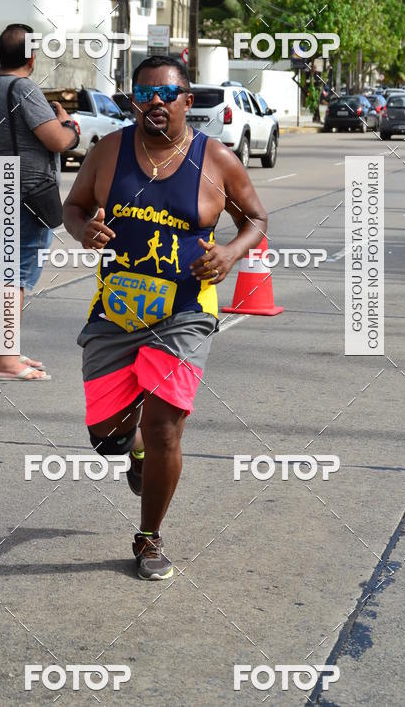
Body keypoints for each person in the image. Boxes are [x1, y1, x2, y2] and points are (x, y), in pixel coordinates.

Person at [63, 55, 267, 580]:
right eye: (145, 93)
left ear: (187, 102)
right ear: (133, 100)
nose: (156, 102)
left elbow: (255, 218)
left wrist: (229, 252)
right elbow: (75, 206)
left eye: (167, 94)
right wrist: (84, 231)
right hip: (116, 309)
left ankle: (148, 538)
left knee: (164, 427)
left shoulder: (216, 158)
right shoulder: (109, 151)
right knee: (108, 434)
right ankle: (129, 451)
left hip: (185, 311)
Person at [0, 23, 79, 381]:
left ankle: (3, 352)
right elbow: (56, 140)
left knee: (1, 274)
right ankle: (5, 361)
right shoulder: (23, 88)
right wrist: (68, 125)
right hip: (27, 192)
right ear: (31, 56)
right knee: (16, 276)